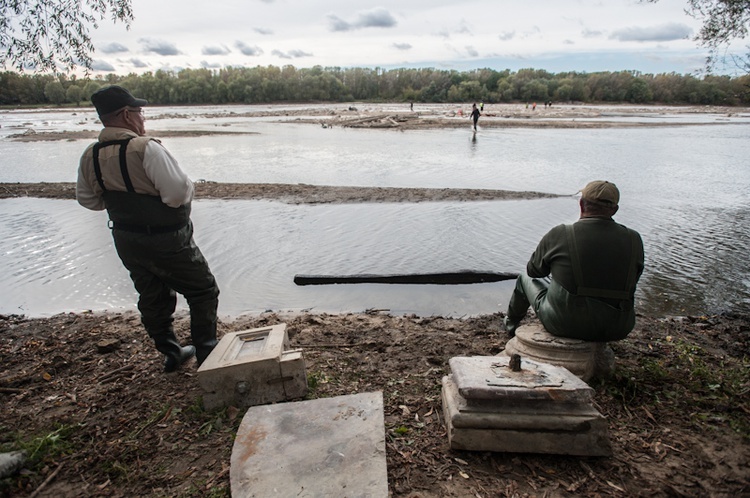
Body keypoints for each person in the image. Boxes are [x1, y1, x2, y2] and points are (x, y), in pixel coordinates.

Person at [76, 85, 220, 373]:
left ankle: (171, 352)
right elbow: (177, 194)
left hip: (126, 238)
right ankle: (207, 353)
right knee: (203, 289)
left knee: (152, 294)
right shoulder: (146, 148)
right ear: (127, 115)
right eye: (140, 112)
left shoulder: (90, 155)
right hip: (167, 238)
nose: (143, 118)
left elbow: (88, 200)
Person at [503, 180, 644, 342]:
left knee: (524, 279)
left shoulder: (562, 233)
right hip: (618, 326)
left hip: (566, 324)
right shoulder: (634, 239)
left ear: (582, 204)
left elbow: (534, 271)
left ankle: (510, 325)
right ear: (614, 210)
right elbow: (634, 278)